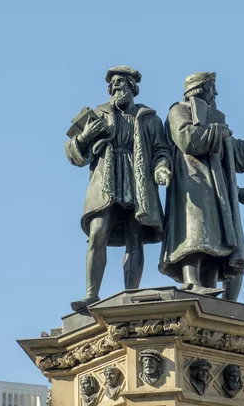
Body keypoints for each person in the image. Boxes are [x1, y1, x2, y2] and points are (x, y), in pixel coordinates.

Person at [159, 71, 244, 296]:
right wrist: (218, 131)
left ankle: (209, 288)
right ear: (201, 90)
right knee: (195, 235)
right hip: (191, 182)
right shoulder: (178, 111)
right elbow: (187, 139)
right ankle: (191, 282)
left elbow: (234, 153)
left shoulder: (214, 120)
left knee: (216, 243)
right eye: (211, 88)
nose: (215, 93)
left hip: (216, 190)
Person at [66, 66, 172, 311]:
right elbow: (73, 154)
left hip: (138, 183)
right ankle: (91, 294)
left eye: (121, 83)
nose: (116, 87)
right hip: (106, 184)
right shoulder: (97, 115)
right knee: (97, 233)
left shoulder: (149, 119)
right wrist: (84, 138)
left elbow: (161, 150)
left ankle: (131, 293)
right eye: (112, 84)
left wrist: (161, 167)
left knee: (135, 238)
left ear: (132, 88)